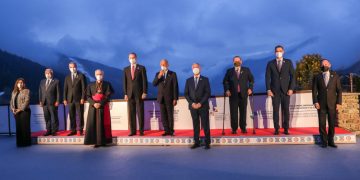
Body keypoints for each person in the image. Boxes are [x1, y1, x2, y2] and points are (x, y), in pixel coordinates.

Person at [265, 45, 295, 135]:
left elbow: (293, 76)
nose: (278, 52)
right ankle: (276, 129)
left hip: (286, 91)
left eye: (280, 51)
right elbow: (267, 77)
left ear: (283, 52)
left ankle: (286, 129)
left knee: (286, 110)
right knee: (275, 111)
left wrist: (291, 88)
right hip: (274, 91)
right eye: (277, 51)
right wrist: (268, 89)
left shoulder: (288, 62)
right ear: (275, 53)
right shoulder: (270, 63)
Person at [312, 59, 342, 148]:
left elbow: (339, 90)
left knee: (332, 123)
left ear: (329, 65)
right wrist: (315, 101)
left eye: (326, 64)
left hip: (332, 104)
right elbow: (314, 91)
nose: (324, 65)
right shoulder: (317, 77)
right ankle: (324, 141)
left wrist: (339, 102)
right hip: (321, 104)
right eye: (322, 64)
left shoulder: (335, 76)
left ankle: (331, 141)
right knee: (322, 123)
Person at [223, 56, 254, 134]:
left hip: (243, 94)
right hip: (233, 95)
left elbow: (251, 80)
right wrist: (227, 90)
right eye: (235, 61)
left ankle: (243, 127)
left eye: (238, 61)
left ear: (241, 61)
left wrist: (250, 88)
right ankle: (234, 128)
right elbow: (225, 81)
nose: (237, 62)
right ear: (233, 62)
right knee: (233, 112)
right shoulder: (229, 71)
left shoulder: (246, 70)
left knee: (243, 112)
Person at [184, 63, 211, 150]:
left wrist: (200, 103)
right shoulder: (188, 80)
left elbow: (207, 93)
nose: (195, 68)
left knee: (205, 124)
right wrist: (192, 103)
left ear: (200, 68)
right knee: (195, 125)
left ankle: (207, 143)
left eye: (197, 67)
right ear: (192, 69)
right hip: (193, 107)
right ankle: (196, 142)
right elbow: (186, 94)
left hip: (203, 106)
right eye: (194, 67)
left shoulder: (205, 79)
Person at [84, 69, 114, 148]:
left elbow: (108, 96)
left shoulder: (107, 84)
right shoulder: (90, 85)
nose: (99, 76)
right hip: (93, 107)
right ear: (95, 75)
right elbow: (87, 96)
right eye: (97, 74)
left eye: (100, 74)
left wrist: (100, 103)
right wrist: (94, 103)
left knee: (102, 124)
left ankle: (103, 141)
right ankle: (95, 141)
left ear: (103, 75)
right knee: (93, 124)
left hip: (103, 106)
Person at [123, 52, 148, 136]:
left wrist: (144, 92)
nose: (132, 59)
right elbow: (124, 82)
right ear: (128, 59)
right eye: (130, 58)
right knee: (131, 113)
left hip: (139, 93)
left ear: (136, 58)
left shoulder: (141, 68)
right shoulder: (125, 69)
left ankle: (141, 131)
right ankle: (132, 131)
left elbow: (145, 81)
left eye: (133, 58)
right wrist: (125, 93)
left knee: (140, 112)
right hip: (130, 94)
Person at [152, 59, 179, 136]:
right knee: (163, 115)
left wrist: (175, 98)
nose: (162, 66)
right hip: (161, 98)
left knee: (170, 115)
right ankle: (166, 130)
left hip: (170, 98)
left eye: (164, 64)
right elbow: (154, 84)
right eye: (161, 65)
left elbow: (175, 86)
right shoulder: (158, 73)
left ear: (167, 65)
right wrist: (159, 76)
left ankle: (171, 131)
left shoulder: (173, 74)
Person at [63, 61, 87, 136]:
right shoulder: (67, 77)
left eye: (74, 67)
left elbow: (84, 88)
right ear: (69, 68)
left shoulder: (81, 76)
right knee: (71, 115)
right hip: (69, 99)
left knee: (80, 115)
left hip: (79, 99)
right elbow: (65, 89)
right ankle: (73, 130)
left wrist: (83, 98)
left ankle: (80, 130)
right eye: (71, 67)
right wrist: (64, 99)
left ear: (76, 67)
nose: (72, 68)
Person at [10, 78, 31, 147]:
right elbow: (11, 102)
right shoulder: (14, 92)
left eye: (22, 82)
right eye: (19, 82)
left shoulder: (26, 91)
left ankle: (26, 143)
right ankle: (20, 143)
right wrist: (13, 109)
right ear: (17, 84)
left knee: (25, 127)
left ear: (23, 84)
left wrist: (19, 109)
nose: (20, 84)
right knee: (18, 128)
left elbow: (27, 101)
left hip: (25, 111)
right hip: (16, 112)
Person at [39, 68, 60, 136]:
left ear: (52, 74)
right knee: (47, 117)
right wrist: (40, 101)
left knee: (54, 117)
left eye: (49, 73)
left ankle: (54, 131)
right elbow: (40, 92)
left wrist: (57, 101)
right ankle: (48, 130)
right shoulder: (42, 81)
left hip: (53, 102)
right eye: (46, 73)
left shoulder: (56, 81)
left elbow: (58, 92)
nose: (47, 75)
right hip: (44, 102)